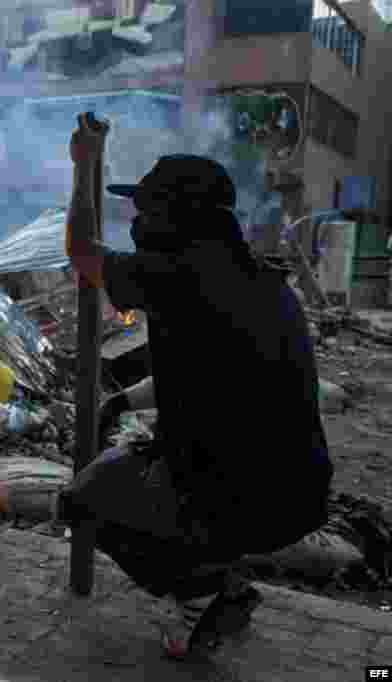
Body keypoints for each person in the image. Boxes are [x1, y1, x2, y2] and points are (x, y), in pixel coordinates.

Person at [58, 114, 333, 659]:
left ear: (174, 216)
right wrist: (122, 401)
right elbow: (210, 371)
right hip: (302, 494)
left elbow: (80, 250)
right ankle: (216, 579)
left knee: (82, 501)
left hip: (238, 499)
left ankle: (203, 596)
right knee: (166, 478)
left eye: (146, 210)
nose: (137, 221)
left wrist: (82, 167)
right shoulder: (261, 279)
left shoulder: (174, 275)